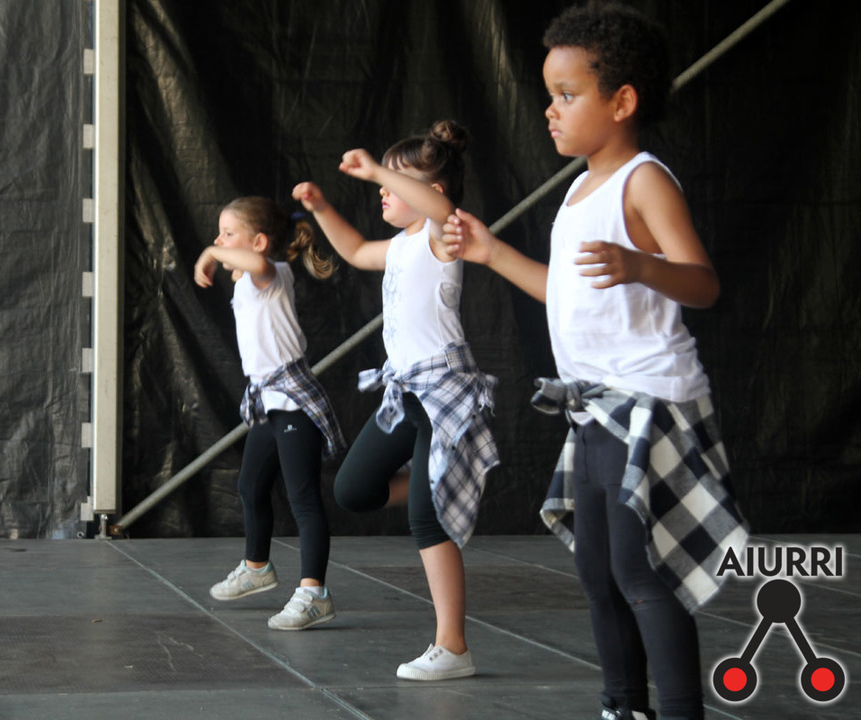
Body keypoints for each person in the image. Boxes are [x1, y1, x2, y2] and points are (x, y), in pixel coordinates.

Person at [441, 4, 747, 719]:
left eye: (567, 94)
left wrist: (642, 265)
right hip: (596, 405)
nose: (550, 110)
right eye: (549, 95)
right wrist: (491, 252)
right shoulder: (580, 189)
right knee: (598, 572)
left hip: (650, 404)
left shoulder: (643, 180)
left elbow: (702, 283)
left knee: (642, 572)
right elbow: (566, 291)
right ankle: (623, 706)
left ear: (622, 101)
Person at [293, 120, 499, 681]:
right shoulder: (403, 244)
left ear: (432, 192)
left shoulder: (442, 236)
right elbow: (356, 250)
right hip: (407, 392)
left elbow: (438, 207)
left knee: (426, 519)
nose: (383, 190)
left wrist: (375, 169)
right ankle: (444, 480)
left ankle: (452, 646)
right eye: (384, 182)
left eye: (396, 181)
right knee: (353, 489)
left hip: (444, 393)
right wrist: (321, 208)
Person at [194, 196, 346, 631]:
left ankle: (315, 593)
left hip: (293, 402)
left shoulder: (272, 274)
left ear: (259, 242)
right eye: (218, 234)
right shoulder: (249, 280)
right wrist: (224, 255)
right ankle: (257, 566)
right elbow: (246, 266)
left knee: (302, 497)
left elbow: (257, 264)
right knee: (250, 484)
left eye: (228, 234)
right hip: (269, 402)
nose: (219, 240)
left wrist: (210, 253)